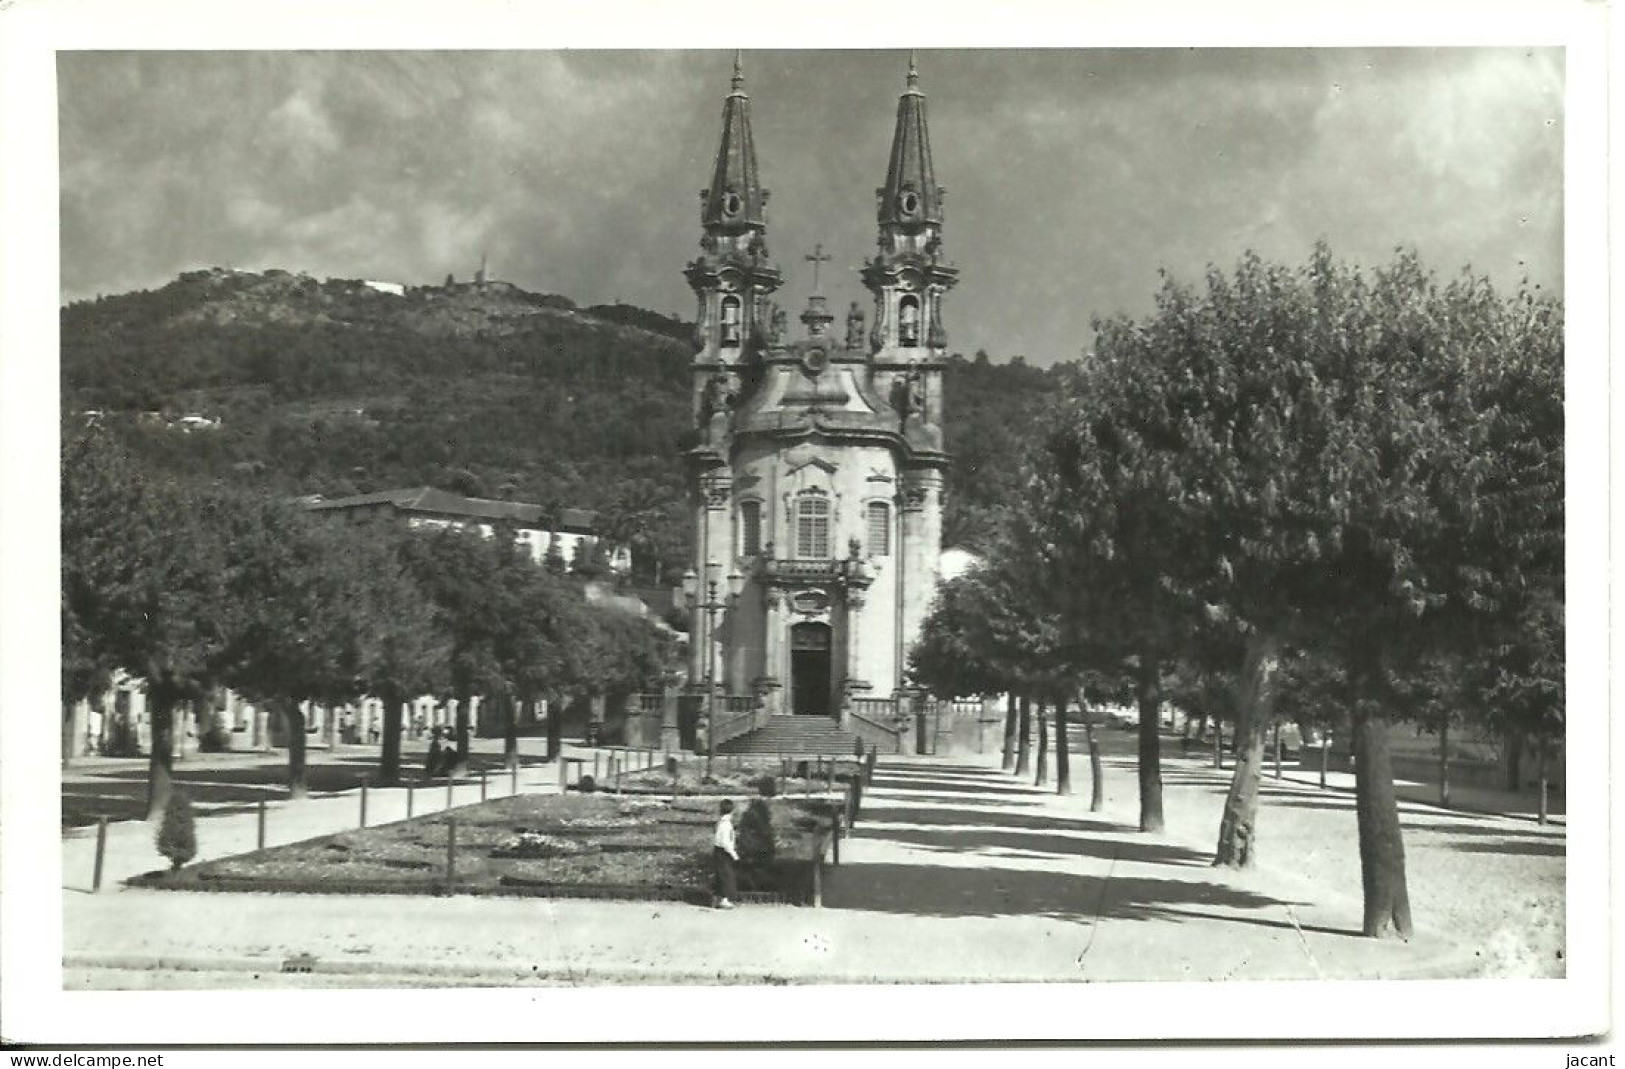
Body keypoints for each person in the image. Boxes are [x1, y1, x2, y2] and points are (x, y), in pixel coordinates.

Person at [712, 799, 739, 909]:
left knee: (721, 875)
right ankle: (724, 900)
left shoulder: (720, 822)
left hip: (718, 851)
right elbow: (725, 842)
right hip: (724, 852)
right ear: (731, 812)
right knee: (726, 876)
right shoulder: (726, 824)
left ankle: (718, 899)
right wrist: (734, 854)